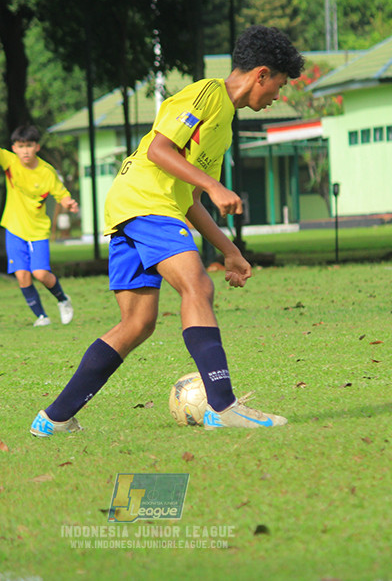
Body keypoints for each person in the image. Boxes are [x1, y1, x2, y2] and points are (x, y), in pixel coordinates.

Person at [30, 25, 304, 436]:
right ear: (261, 74)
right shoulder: (206, 94)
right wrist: (215, 184)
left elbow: (191, 201)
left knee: (137, 323)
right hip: (145, 203)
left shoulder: (224, 125)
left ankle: (54, 417)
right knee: (197, 286)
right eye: (279, 85)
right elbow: (160, 150)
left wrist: (230, 250)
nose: (277, 96)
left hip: (133, 208)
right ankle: (225, 405)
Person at [0, 108, 79, 327]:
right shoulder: (10, 162)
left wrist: (68, 203)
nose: (25, 151)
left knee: (41, 274)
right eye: (21, 146)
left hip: (38, 230)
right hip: (13, 228)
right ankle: (42, 317)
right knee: (22, 276)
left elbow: (61, 194)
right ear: (14, 148)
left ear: (37, 147)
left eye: (29, 146)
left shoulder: (46, 172)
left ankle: (63, 299)